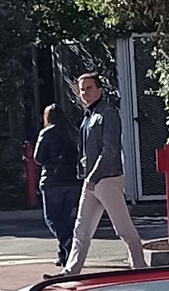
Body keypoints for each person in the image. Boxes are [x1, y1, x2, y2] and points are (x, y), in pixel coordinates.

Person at [61, 72, 145, 275]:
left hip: (107, 180)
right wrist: (87, 175)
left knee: (123, 229)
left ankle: (140, 266)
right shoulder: (90, 116)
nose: (85, 93)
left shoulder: (108, 114)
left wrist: (92, 176)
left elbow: (109, 150)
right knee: (81, 229)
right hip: (92, 180)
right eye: (82, 89)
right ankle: (71, 271)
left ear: (100, 90)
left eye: (89, 88)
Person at [31, 102, 78, 267]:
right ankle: (64, 255)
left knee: (51, 218)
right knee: (65, 218)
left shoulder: (46, 132)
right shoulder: (73, 132)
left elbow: (38, 157)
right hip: (72, 180)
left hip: (52, 180)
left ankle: (67, 241)